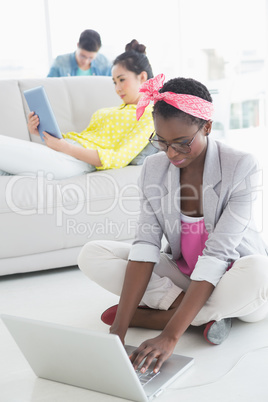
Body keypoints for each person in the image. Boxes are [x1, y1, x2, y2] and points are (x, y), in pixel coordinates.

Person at [78, 73, 268, 374]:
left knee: (261, 271)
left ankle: (163, 317)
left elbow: (218, 255)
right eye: (161, 142)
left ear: (206, 126)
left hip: (234, 277)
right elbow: (145, 247)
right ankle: (206, 317)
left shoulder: (241, 165)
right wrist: (119, 330)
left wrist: (169, 335)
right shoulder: (154, 168)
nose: (171, 153)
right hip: (185, 275)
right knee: (92, 253)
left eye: (181, 143)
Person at [0, 40, 156, 179]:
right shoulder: (119, 110)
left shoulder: (150, 116)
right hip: (66, 149)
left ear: (142, 77)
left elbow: (117, 158)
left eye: (122, 80)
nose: (117, 88)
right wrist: (42, 132)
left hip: (74, 160)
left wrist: (65, 147)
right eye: (114, 82)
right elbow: (84, 138)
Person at [47, 29, 111, 77]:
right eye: (82, 56)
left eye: (91, 58)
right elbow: (49, 87)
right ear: (77, 45)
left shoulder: (105, 63)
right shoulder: (60, 62)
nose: (85, 61)